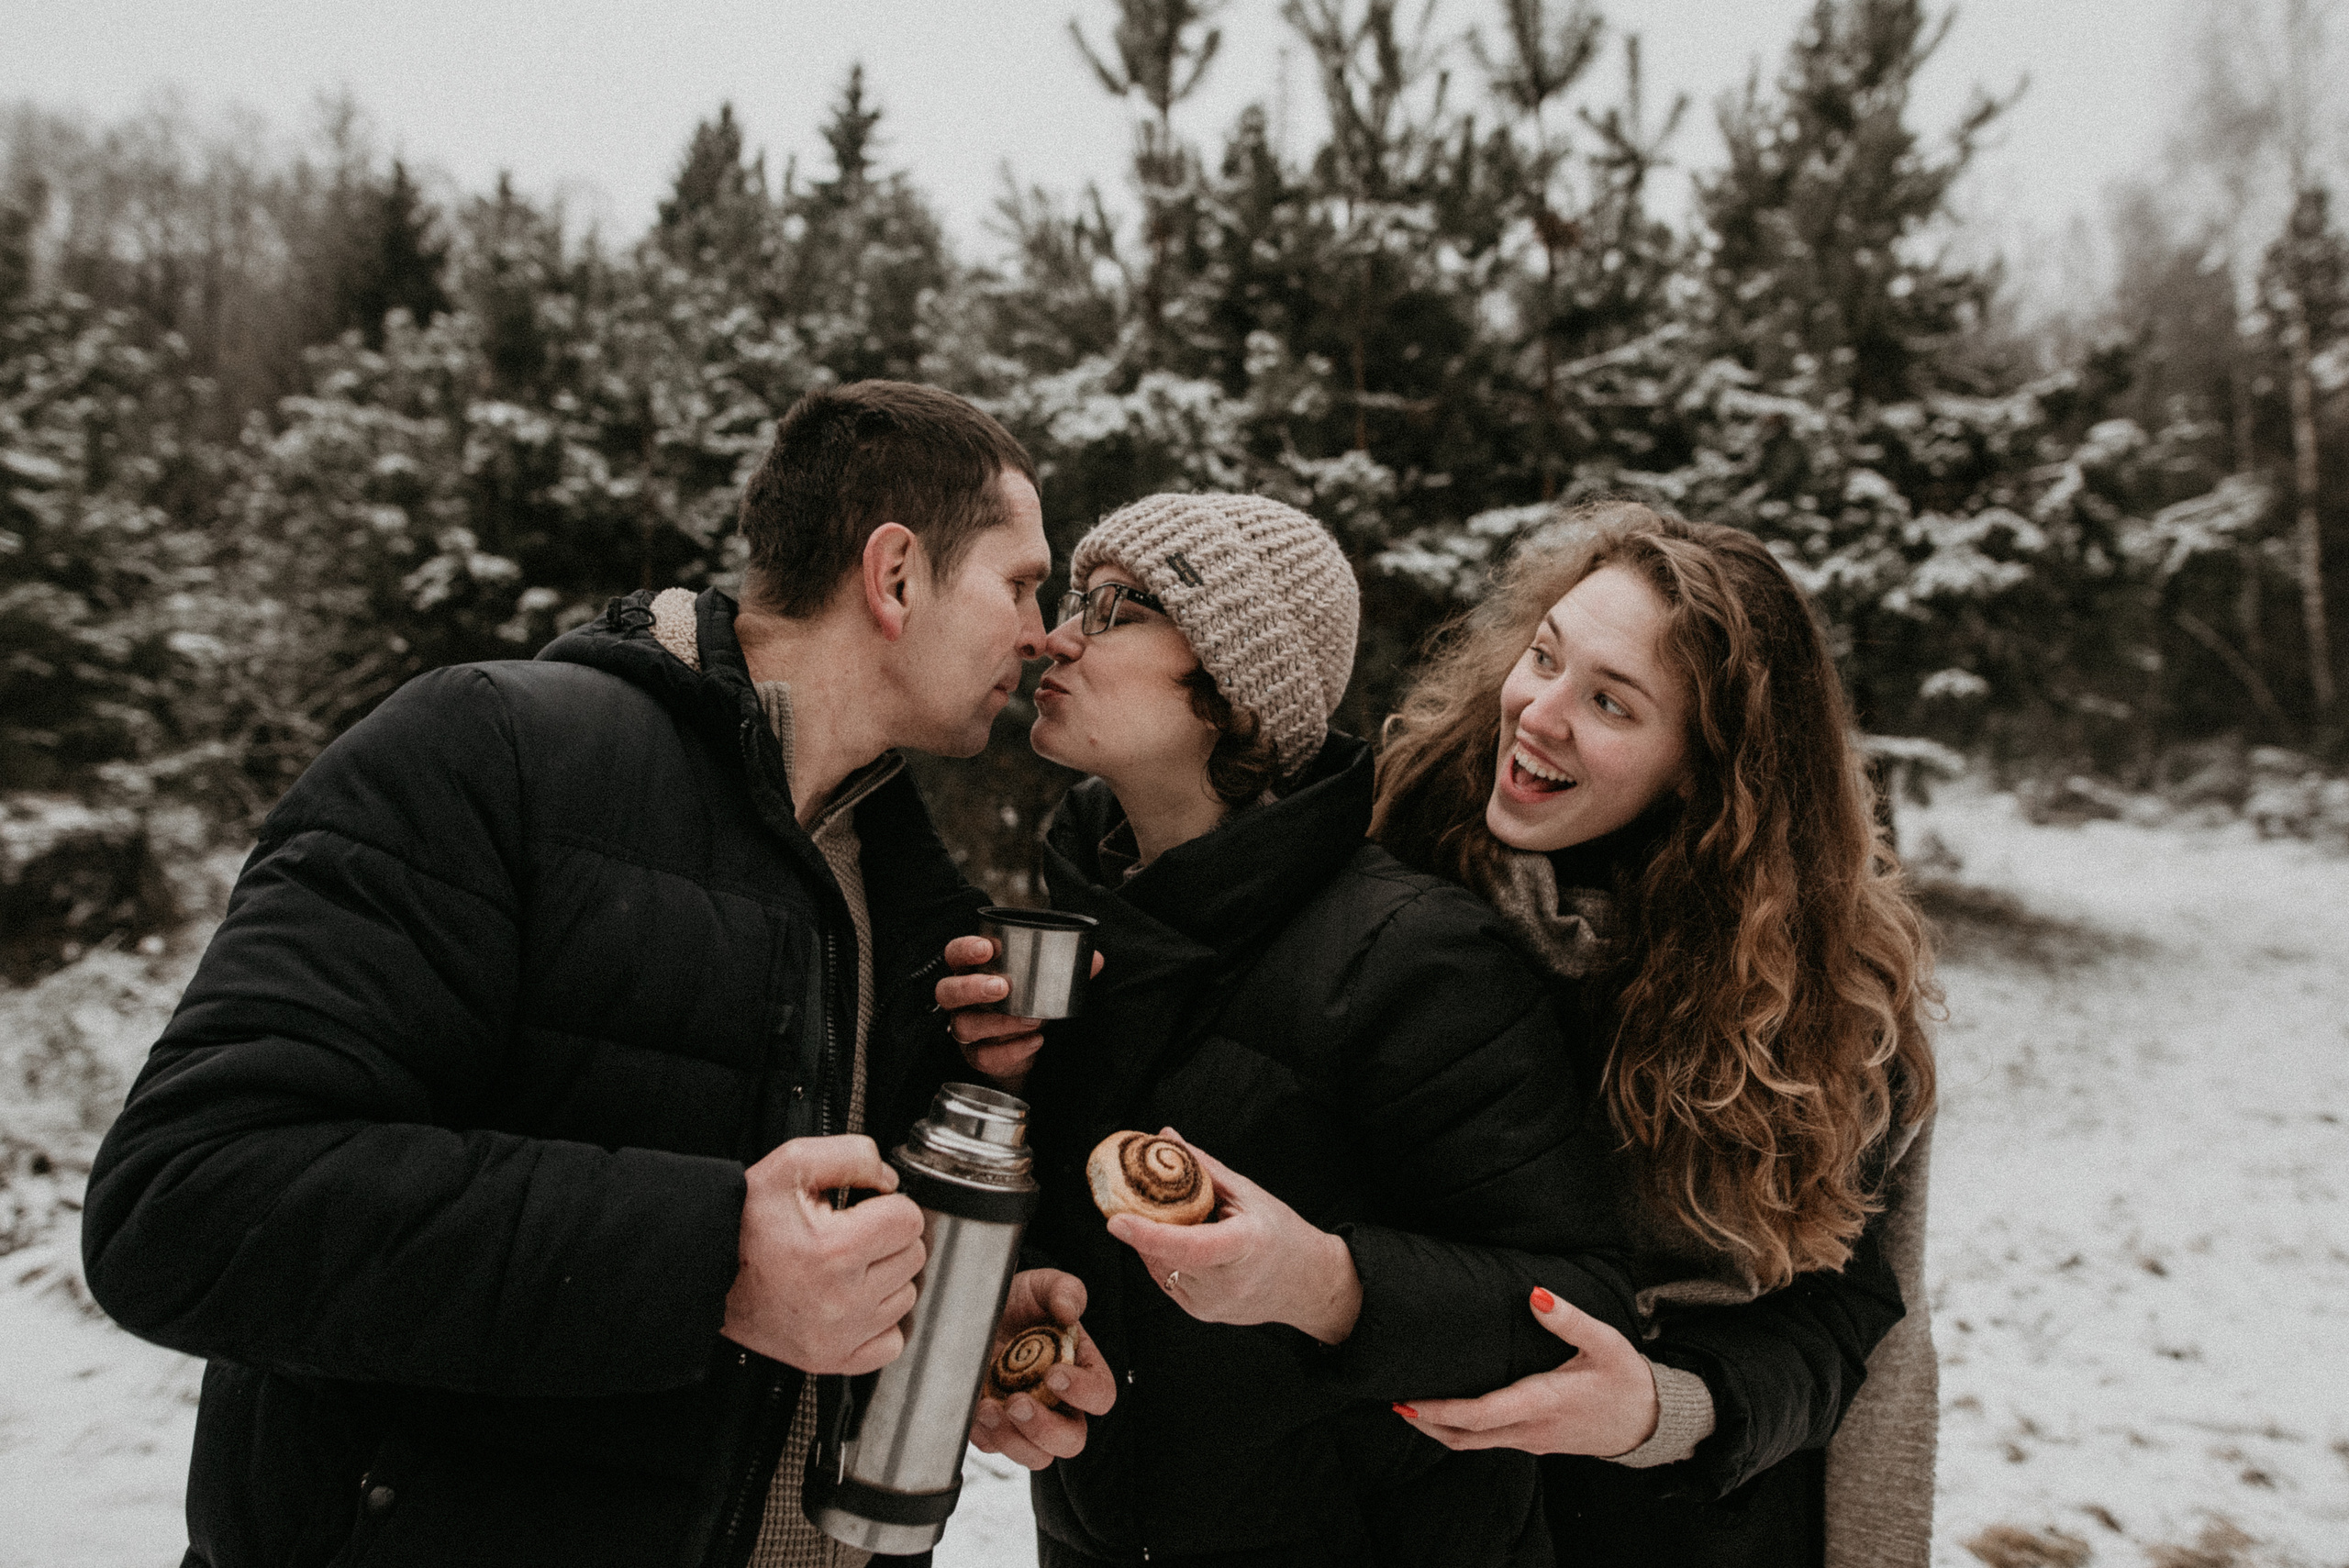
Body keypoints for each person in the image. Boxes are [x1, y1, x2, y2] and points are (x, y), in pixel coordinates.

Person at [80, 381, 1116, 1568]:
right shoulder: (491, 755)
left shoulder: (908, 901)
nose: (1045, 633)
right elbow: (186, 1203)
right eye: (1024, 582)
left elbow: (815, 1281)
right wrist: (711, 1261)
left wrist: (960, 1331)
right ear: (894, 576)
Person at [940, 492, 1651, 1568]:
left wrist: (1330, 1284)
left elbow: (1577, 1304)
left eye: (1120, 608)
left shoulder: (1417, 956)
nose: (1056, 633)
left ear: (1234, 692)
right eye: (1076, 598)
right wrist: (1019, 1323)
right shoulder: (1078, 932)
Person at [1369, 501, 1940, 1568]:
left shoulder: (1820, 996)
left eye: (1609, 702)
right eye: (1543, 656)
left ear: (1700, 767)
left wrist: (1657, 1408)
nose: (1539, 712)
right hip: (1408, 1502)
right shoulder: (1395, 858)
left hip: (1678, 1519)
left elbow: (1846, 1310)